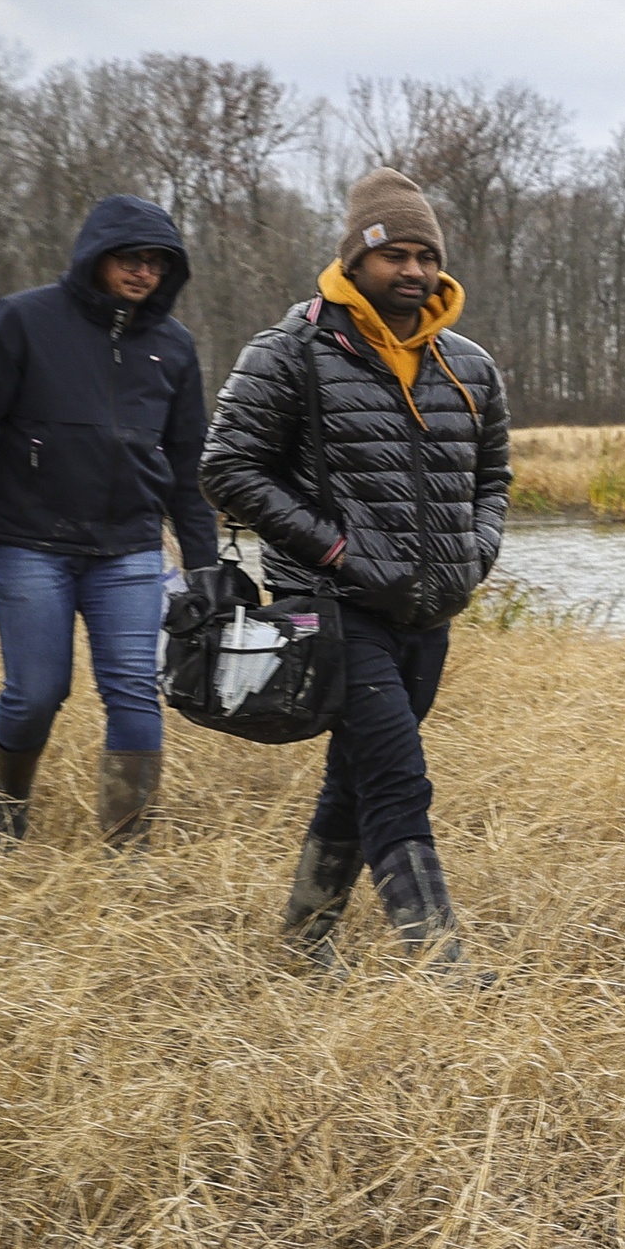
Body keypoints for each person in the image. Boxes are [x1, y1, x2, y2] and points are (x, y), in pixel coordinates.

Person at [199, 168, 513, 975]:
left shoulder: (469, 366)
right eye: (392, 255)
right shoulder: (292, 350)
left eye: (424, 255)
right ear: (355, 259)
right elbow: (228, 466)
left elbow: (493, 478)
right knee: (399, 776)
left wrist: (475, 554)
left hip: (431, 606)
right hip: (332, 606)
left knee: (358, 770)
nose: (412, 271)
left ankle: (304, 943)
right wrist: (335, 550)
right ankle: (440, 961)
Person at [0, 196, 221, 850]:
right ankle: (6, 800)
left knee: (136, 695)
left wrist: (204, 562)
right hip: (29, 543)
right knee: (37, 692)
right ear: (95, 256)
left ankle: (129, 846)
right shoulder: (20, 321)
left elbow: (186, 462)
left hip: (130, 551)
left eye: (157, 263)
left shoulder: (173, 347)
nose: (143, 273)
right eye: (130, 258)